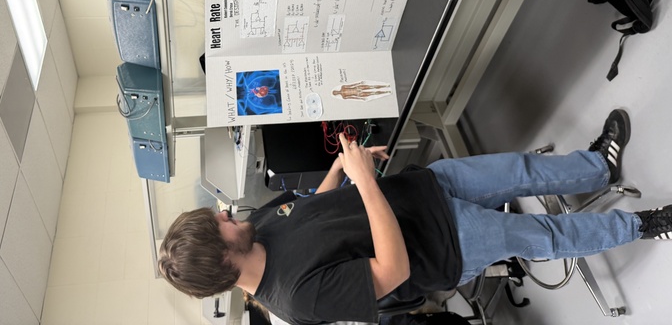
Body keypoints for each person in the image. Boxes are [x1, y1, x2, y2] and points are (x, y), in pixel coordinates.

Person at [157, 109, 672, 324]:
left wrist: (341, 165)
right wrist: (364, 183)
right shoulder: (294, 299)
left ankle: (595, 168)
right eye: (219, 225)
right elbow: (392, 273)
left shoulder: (259, 229)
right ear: (225, 258)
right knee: (545, 235)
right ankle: (645, 225)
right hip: (448, 245)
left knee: (520, 170)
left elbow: (313, 208)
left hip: (424, 189)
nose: (227, 215)